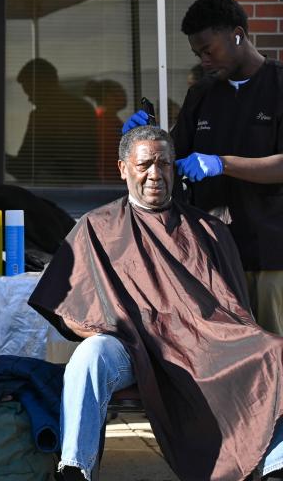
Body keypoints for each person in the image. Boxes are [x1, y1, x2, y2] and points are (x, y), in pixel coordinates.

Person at [29, 126, 283, 481]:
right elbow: (64, 305)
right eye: (145, 164)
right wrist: (106, 324)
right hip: (132, 349)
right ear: (123, 169)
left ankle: (276, 468)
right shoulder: (95, 226)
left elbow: (235, 312)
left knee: (274, 351)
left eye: (164, 163)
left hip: (203, 344)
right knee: (90, 356)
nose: (155, 174)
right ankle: (75, 468)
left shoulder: (207, 229)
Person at [123, 0, 283, 335]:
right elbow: (173, 157)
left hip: (272, 258)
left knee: (274, 354)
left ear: (237, 34)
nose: (205, 60)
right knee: (225, 356)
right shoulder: (202, 95)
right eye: (198, 54)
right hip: (212, 257)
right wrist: (144, 137)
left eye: (209, 50)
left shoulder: (279, 86)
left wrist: (221, 163)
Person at [7, 58, 98, 185]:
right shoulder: (84, 108)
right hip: (86, 189)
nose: (29, 99)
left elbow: (26, 167)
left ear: (43, 85)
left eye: (30, 92)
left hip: (54, 189)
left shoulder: (43, 115)